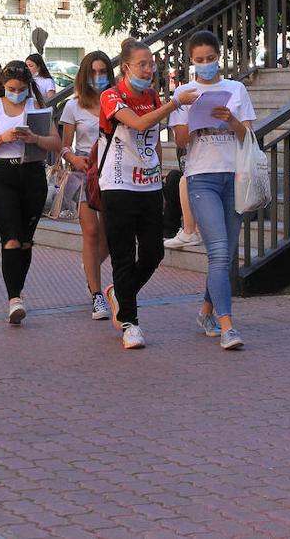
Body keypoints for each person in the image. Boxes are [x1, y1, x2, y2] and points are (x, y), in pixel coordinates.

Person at [98, 38, 197, 349]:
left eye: (151, 63)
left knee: (153, 253)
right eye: (142, 63)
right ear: (126, 67)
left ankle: (119, 294)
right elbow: (139, 124)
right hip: (117, 184)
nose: (149, 69)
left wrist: (157, 170)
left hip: (149, 184)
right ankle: (130, 323)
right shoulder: (111, 96)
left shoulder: (153, 95)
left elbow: (153, 139)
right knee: (124, 254)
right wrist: (175, 103)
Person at [169, 31, 256, 350]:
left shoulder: (236, 89)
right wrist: (193, 116)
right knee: (218, 250)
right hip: (201, 176)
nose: (205, 66)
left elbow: (247, 136)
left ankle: (207, 312)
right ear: (191, 61)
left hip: (233, 175)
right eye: (199, 60)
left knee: (227, 253)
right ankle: (227, 325)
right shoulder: (184, 93)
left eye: (210, 59)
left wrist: (230, 119)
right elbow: (179, 141)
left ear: (219, 56)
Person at [0, 61, 61, 323]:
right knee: (10, 237)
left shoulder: (37, 107)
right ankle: (14, 298)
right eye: (11, 88)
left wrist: (34, 139)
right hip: (2, 175)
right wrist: (3, 138)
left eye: (21, 88)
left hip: (31, 173)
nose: (16, 92)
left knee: (25, 240)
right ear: (3, 85)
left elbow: (56, 143)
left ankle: (18, 289)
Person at [59, 51, 115, 320]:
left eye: (103, 72)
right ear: (84, 75)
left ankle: (89, 268)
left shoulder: (115, 102)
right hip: (84, 174)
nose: (98, 77)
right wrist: (71, 158)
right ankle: (97, 294)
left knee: (110, 235)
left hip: (114, 172)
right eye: (93, 72)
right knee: (91, 232)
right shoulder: (73, 106)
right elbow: (63, 146)